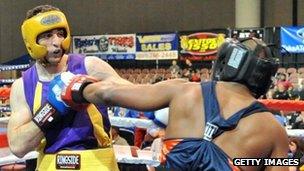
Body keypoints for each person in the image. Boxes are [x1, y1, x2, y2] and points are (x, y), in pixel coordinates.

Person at [59, 38, 289, 170]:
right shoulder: (273, 130)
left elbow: (108, 93)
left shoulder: (183, 90)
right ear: (265, 77)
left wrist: (75, 89)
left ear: (225, 61)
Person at [7, 5, 131, 171]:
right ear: (31, 41)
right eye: (47, 36)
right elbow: (18, 147)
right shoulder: (22, 86)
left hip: (98, 163)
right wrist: (51, 109)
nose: (57, 42)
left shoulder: (90, 66)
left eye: (60, 34)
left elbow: (133, 95)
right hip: (49, 165)